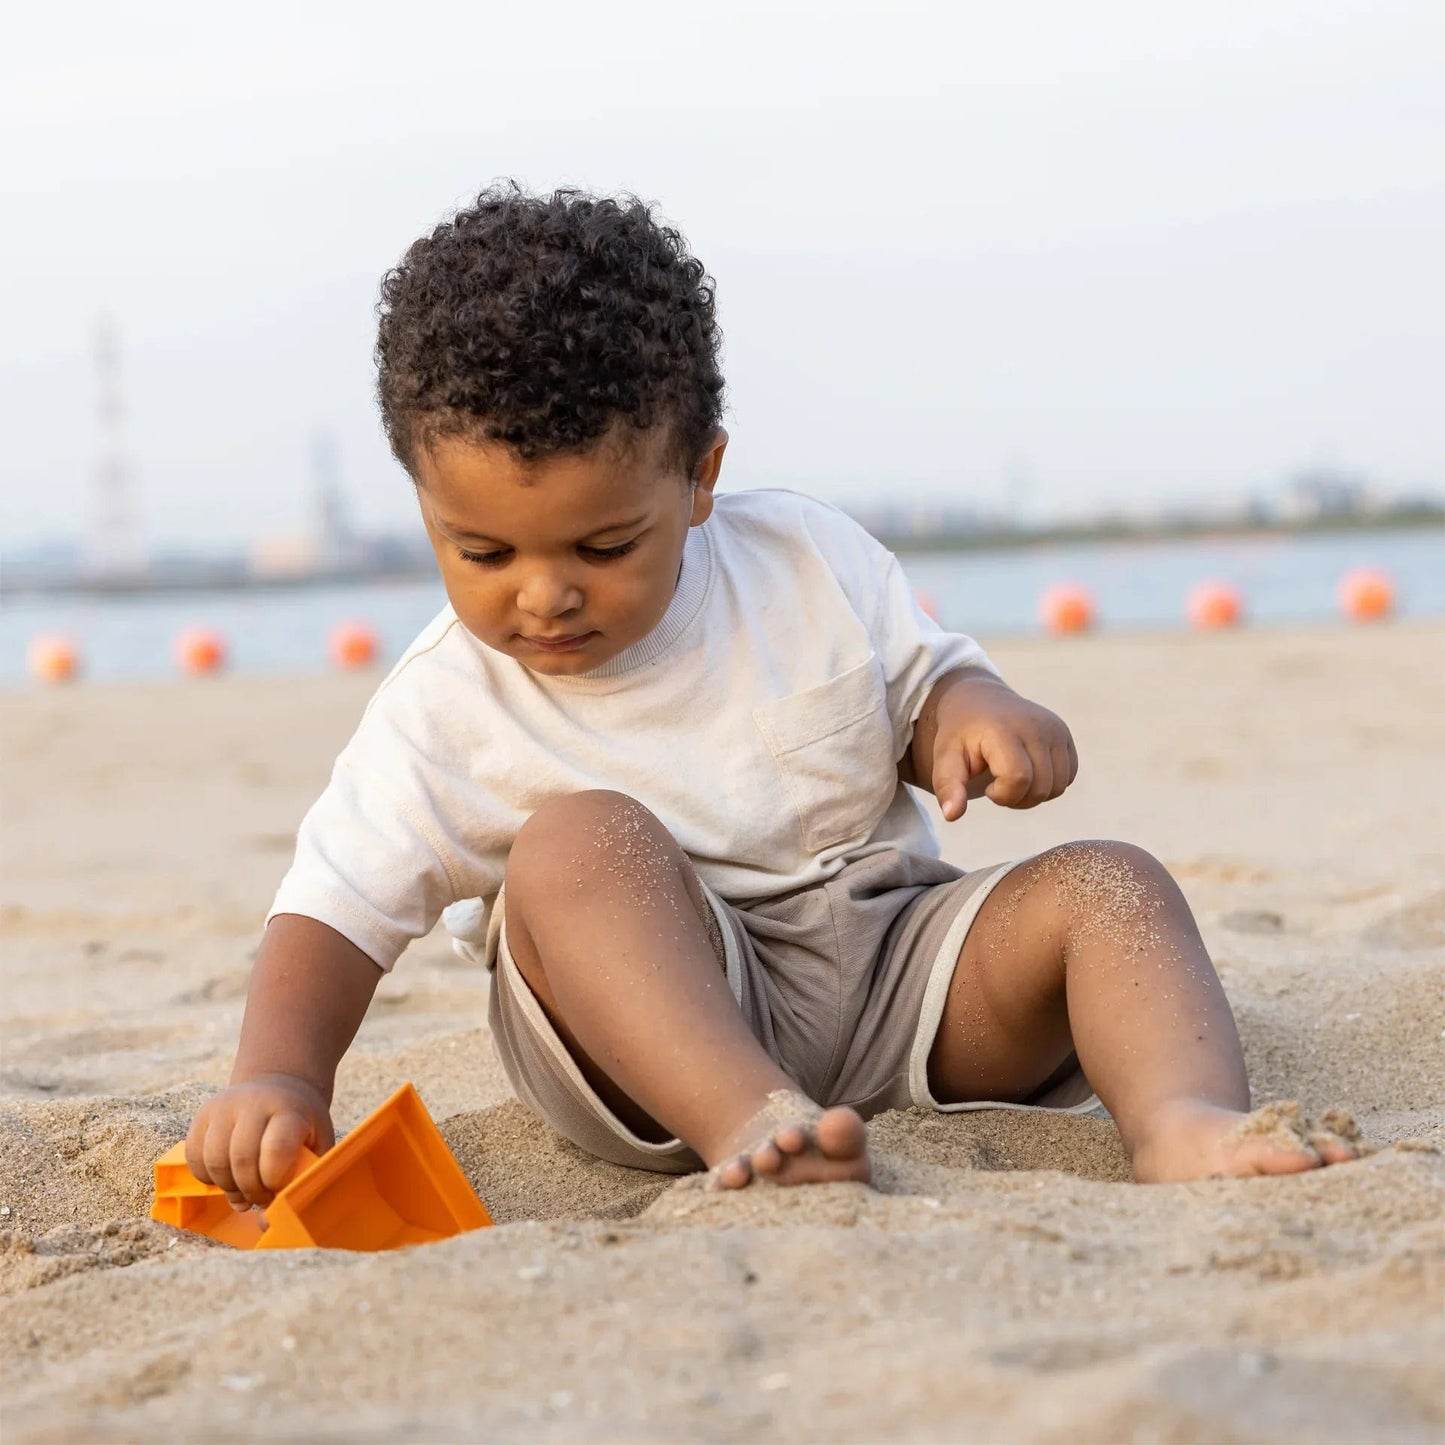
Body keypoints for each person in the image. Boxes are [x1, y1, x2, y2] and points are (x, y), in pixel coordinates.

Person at [186, 184, 1362, 1207]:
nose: (541, 596)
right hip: (651, 1035)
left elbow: (919, 683)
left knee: (1112, 885)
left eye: (601, 546)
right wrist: (279, 1076)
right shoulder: (446, 702)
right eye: (483, 553)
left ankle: (1183, 1122)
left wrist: (972, 711)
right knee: (575, 841)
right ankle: (752, 1121)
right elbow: (333, 907)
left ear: (698, 477)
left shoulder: (802, 559)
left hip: (891, 963)